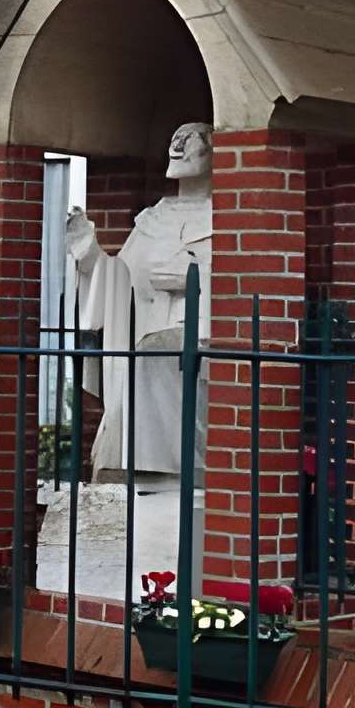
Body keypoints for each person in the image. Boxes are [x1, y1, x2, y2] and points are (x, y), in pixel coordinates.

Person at [60, 122, 214, 482]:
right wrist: (89, 254)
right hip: (146, 334)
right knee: (143, 359)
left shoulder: (227, 218)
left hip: (199, 340)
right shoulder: (153, 219)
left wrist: (193, 281)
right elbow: (119, 281)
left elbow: (246, 285)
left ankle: (163, 473)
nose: (178, 144)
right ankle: (133, 469)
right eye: (175, 136)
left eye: (192, 138)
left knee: (154, 358)